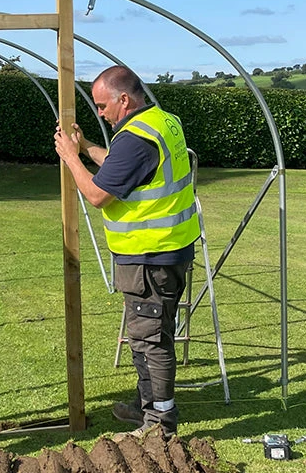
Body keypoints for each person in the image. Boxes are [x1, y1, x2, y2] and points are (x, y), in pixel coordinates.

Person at [53, 66, 199, 438]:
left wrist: (70, 157)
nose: (100, 113)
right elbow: (121, 168)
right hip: (167, 251)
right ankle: (146, 406)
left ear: (124, 100)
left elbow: (99, 194)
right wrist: (86, 149)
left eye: (103, 105)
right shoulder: (162, 122)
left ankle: (160, 424)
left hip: (150, 258)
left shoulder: (136, 138)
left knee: (151, 339)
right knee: (146, 334)